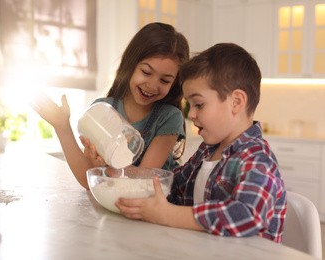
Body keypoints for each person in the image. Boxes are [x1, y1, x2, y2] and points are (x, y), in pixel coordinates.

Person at [115, 43, 287, 243]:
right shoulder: (207, 150)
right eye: (189, 105)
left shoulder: (257, 158)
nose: (190, 114)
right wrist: (130, 175)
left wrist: (168, 214)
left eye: (199, 104)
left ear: (236, 102)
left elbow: (247, 214)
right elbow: (174, 184)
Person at [31, 22, 190, 189]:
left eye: (164, 80)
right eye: (146, 72)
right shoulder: (101, 111)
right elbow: (88, 181)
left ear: (175, 82)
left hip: (154, 207)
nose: (152, 85)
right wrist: (62, 127)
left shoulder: (169, 118)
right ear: (131, 63)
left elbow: (143, 180)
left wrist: (108, 169)